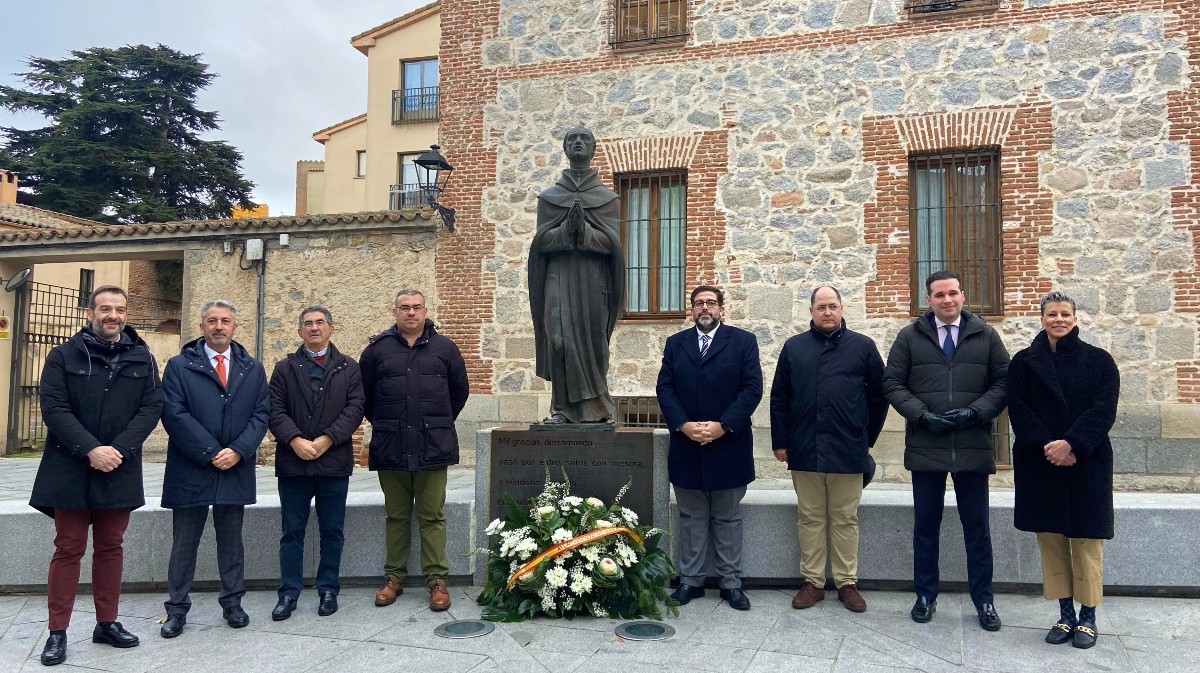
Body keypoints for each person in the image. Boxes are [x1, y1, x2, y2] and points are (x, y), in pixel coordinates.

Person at [29, 286, 163, 666]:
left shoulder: (142, 355)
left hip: (118, 467)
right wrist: (91, 449)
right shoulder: (63, 355)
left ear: (126, 313)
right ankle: (57, 632)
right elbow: (54, 408)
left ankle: (107, 623)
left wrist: (117, 449)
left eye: (119, 309)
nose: (113, 315)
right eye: (105, 308)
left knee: (111, 547)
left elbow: (153, 405)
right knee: (68, 548)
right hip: (70, 466)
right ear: (91, 312)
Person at [882, 270, 1009, 631]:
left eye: (953, 293)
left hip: (972, 445)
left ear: (963, 295)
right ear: (929, 300)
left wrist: (976, 412)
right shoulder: (910, 337)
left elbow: (1004, 381)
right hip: (927, 444)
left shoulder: (986, 335)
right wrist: (922, 415)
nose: (947, 299)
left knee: (977, 528)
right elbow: (892, 383)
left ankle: (984, 601)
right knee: (925, 526)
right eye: (939, 295)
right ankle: (925, 595)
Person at [1007, 291, 1118, 649]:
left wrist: (1071, 443)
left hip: (1086, 462)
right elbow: (1019, 409)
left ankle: (1088, 618)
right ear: (1042, 319)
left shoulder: (1100, 361)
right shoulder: (1024, 363)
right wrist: (1049, 446)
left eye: (1065, 314)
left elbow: (1103, 410)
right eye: (1052, 314)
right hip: (1042, 464)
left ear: (1075, 318)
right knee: (1052, 540)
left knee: (1087, 541)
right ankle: (1064, 615)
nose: (1059, 320)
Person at [771, 286, 888, 613]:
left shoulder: (863, 347)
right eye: (821, 307)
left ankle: (847, 583)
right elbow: (780, 397)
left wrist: (867, 439)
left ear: (841, 308)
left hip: (849, 450)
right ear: (811, 310)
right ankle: (812, 582)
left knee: (845, 519)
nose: (827, 312)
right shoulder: (794, 347)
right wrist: (780, 442)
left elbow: (880, 397)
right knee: (809, 518)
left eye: (832, 306)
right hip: (804, 448)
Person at [159, 299, 269, 638]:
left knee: (231, 541)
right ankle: (176, 610)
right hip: (191, 466)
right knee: (184, 542)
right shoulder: (179, 366)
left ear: (235, 326)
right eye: (212, 321)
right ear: (202, 326)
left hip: (235, 466)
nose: (218, 326)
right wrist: (210, 452)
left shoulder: (252, 367)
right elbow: (173, 414)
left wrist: (238, 450)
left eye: (225, 320)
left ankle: (233, 603)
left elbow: (261, 413)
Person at [360, 290, 469, 611]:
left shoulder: (445, 349)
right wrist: (388, 423)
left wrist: (435, 424)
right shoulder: (376, 351)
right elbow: (365, 397)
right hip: (391, 444)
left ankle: (437, 581)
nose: (411, 313)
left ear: (425, 311)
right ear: (394, 312)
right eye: (404, 308)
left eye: (416, 308)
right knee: (396, 516)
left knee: (432, 516)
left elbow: (458, 393)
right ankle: (393, 578)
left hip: (432, 446)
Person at [656, 285, 762, 611]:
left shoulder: (743, 342)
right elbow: (665, 387)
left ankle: (731, 584)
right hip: (687, 446)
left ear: (721, 309)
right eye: (699, 303)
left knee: (728, 518)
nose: (705, 308)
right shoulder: (676, 344)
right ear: (692, 310)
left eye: (711, 303)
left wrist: (723, 425)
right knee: (691, 517)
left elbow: (752, 388)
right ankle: (691, 581)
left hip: (728, 445)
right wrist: (684, 425)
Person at [267, 306, 365, 620]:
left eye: (320, 322)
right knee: (291, 532)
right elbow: (274, 409)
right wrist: (295, 440)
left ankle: (328, 590)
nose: (314, 328)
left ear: (330, 329)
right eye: (307, 324)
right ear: (299, 332)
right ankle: (288, 593)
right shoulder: (284, 367)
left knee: (332, 530)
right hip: (293, 464)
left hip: (333, 462)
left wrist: (326, 439)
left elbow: (355, 408)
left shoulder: (348, 367)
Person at [527, 124, 624, 423]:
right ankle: (562, 410)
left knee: (595, 341)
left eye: (585, 139)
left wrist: (585, 231)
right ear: (565, 149)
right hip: (559, 275)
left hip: (594, 279)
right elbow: (541, 241)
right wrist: (565, 230)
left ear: (594, 149)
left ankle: (597, 409)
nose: (578, 142)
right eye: (572, 139)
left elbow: (612, 245)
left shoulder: (608, 198)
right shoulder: (549, 197)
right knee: (558, 338)